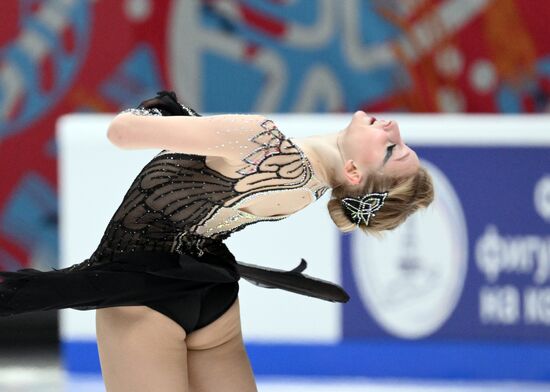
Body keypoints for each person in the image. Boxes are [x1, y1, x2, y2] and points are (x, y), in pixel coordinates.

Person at [0, 91, 434, 391]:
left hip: (142, 297)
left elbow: (121, 132)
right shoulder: (313, 188)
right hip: (212, 293)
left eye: (391, 149)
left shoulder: (261, 142)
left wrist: (159, 110)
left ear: (356, 174)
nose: (393, 127)